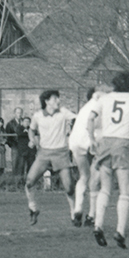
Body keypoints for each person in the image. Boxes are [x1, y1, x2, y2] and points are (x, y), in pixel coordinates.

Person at [88, 72, 129, 249]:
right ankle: (120, 231)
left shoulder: (105, 98)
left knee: (105, 188)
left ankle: (98, 225)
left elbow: (91, 118)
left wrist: (92, 139)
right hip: (122, 144)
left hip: (105, 143)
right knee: (125, 190)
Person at [24, 89, 76, 225]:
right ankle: (33, 209)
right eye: (55, 98)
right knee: (29, 181)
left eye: (58, 98)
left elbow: (77, 119)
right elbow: (31, 130)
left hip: (61, 153)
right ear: (47, 101)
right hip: (44, 153)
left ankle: (74, 212)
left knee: (69, 187)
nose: (58, 101)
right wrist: (32, 140)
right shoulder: (38, 115)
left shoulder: (63, 112)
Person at [69, 86, 110, 228]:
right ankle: (91, 215)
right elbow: (93, 124)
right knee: (95, 178)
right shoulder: (100, 104)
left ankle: (78, 208)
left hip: (75, 141)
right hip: (89, 140)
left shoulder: (86, 106)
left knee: (84, 176)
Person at [5, 108, 27, 176]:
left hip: (23, 146)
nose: (19, 114)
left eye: (20, 113)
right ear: (14, 113)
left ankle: (21, 178)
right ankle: (14, 178)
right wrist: (11, 144)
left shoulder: (25, 122)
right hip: (15, 145)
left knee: (22, 163)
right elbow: (7, 135)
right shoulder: (10, 123)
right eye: (17, 113)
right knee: (15, 162)